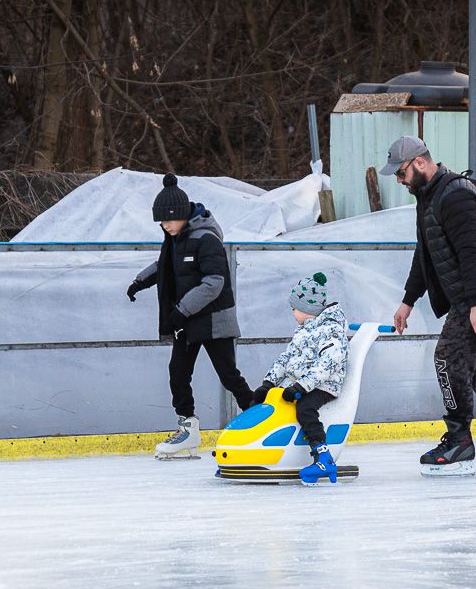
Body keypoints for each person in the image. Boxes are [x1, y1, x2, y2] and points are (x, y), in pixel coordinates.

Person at [380, 136, 476, 476]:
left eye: (401, 173)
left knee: (447, 360)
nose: (400, 181)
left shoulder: (456, 195)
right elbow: (426, 254)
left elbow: (471, 251)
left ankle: (459, 440)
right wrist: (407, 301)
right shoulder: (429, 197)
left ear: (420, 163)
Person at [127, 174, 254, 459]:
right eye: (161, 221)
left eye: (168, 219)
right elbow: (166, 266)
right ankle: (188, 429)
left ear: (182, 214)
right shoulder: (176, 239)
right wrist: (140, 281)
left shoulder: (206, 239)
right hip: (187, 321)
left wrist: (180, 311)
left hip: (214, 320)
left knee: (229, 375)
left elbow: (214, 283)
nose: (164, 225)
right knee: (178, 373)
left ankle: (259, 419)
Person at [250, 272, 349, 485]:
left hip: (324, 385)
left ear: (307, 308)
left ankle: (323, 457)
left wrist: (301, 387)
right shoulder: (303, 330)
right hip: (300, 383)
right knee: (267, 401)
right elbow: (286, 358)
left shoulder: (331, 329)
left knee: (304, 408)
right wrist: (268, 383)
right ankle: (252, 448)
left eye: (294, 308)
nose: (292, 312)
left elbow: (328, 364)